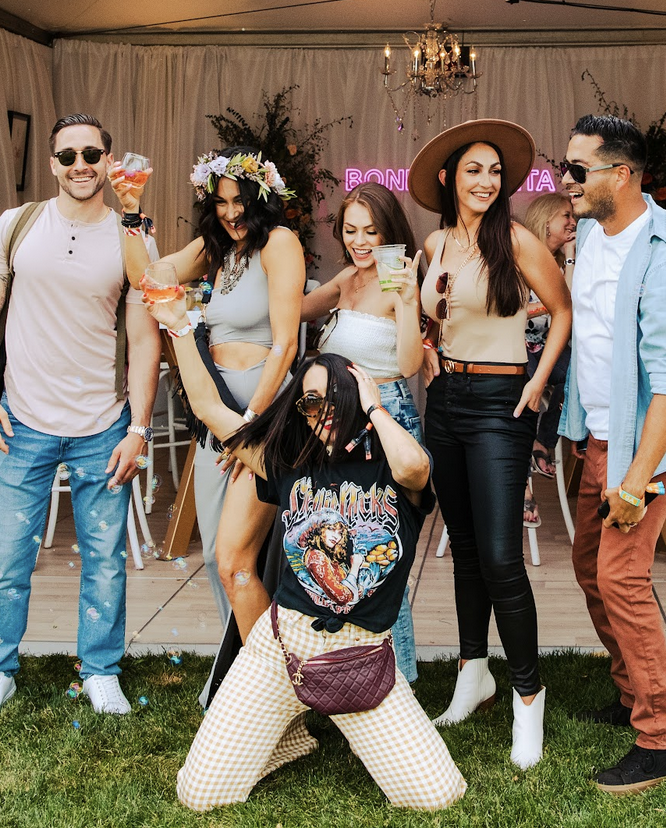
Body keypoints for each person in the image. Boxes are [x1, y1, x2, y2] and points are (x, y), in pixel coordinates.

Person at [149, 288, 464, 810]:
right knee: (200, 794)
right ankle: (286, 736)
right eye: (309, 402)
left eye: (333, 397)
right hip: (279, 650)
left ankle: (316, 728)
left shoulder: (391, 467)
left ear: (357, 398)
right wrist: (180, 327)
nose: (321, 411)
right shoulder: (289, 463)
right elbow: (209, 408)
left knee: (436, 796)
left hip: (360, 660)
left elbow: (416, 468)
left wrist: (376, 408)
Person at [0, 113, 161, 725]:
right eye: (68, 156)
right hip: (21, 422)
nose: (80, 166)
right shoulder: (17, 224)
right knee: (5, 558)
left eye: (91, 155)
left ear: (107, 162)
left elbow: (144, 336)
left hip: (102, 424)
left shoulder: (133, 236)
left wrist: (139, 427)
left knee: (105, 561)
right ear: (52, 164)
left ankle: (100, 672)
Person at [557, 114, 666, 793]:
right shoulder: (593, 235)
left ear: (621, 175)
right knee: (589, 569)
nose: (565, 181)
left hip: (647, 448)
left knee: (621, 578)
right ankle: (630, 693)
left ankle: (661, 739)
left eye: (577, 170)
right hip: (600, 434)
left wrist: (634, 481)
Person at [409, 119, 572, 769]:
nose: (485, 181)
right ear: (447, 178)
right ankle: (473, 675)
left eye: (494, 172)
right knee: (467, 551)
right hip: (445, 401)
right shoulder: (434, 244)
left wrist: (537, 380)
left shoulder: (517, 240)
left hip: (503, 403)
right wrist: (426, 348)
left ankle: (528, 697)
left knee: (503, 558)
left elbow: (562, 310)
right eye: (473, 170)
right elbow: (429, 316)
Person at [115, 146, 304, 641]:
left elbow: (286, 345)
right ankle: (237, 664)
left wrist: (250, 425)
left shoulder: (280, 243)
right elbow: (145, 279)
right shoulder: (214, 249)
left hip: (261, 412)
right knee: (219, 555)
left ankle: (269, 666)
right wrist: (131, 213)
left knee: (247, 556)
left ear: (260, 198)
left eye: (240, 201)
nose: (231, 212)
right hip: (212, 409)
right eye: (221, 202)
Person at [300, 181, 423, 682]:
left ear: (390, 233)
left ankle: (401, 677)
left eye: (371, 231)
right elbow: (295, 310)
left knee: (381, 552)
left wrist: (409, 301)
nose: (360, 241)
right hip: (340, 424)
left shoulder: (397, 281)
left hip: (385, 416)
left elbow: (410, 364)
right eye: (350, 230)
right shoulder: (347, 278)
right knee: (347, 552)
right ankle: (356, 670)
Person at [518, 192, 576, 526]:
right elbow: (517, 311)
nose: (572, 222)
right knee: (520, 391)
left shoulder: (565, 262)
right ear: (546, 220)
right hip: (518, 347)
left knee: (577, 375)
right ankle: (523, 485)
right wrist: (550, 306)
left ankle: (544, 442)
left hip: (549, 347)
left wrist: (570, 259)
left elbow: (567, 309)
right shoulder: (523, 258)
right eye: (565, 215)